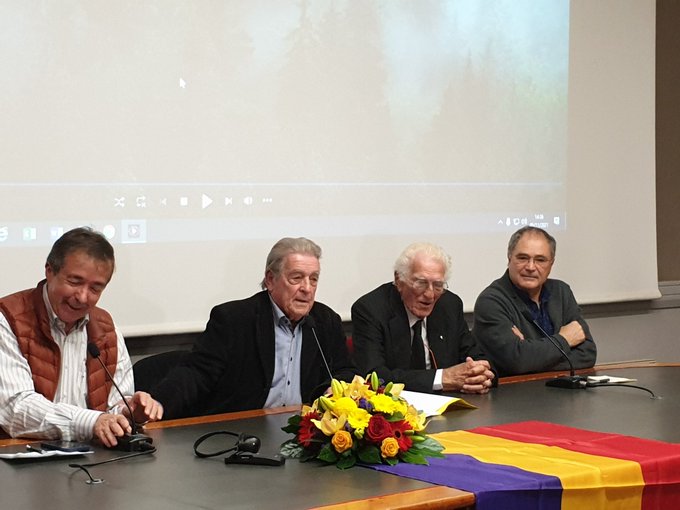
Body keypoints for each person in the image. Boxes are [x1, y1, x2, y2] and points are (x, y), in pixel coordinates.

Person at [150, 237, 356, 419]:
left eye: (313, 279)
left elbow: (343, 371)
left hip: (303, 431)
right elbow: (197, 373)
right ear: (270, 280)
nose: (307, 288)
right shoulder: (234, 319)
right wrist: (158, 403)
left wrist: (335, 389)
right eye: (296, 278)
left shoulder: (325, 321)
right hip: (244, 430)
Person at [0, 227, 163, 447]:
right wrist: (91, 421)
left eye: (96, 288)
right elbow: (15, 409)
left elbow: (110, 410)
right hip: (18, 459)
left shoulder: (105, 328)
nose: (83, 297)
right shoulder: (8, 319)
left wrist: (129, 412)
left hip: (88, 459)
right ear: (49, 271)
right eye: (75, 282)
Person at [351, 242, 495, 394]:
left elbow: (479, 358)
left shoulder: (449, 305)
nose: (430, 295)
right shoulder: (370, 310)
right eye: (421, 283)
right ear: (399, 280)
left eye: (438, 285)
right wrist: (441, 378)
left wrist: (482, 375)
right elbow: (374, 377)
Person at [473, 226, 597, 377]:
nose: (531, 267)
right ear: (509, 258)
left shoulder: (561, 292)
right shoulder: (491, 301)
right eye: (523, 258)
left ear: (551, 264)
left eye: (540, 260)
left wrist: (532, 356)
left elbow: (588, 354)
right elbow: (517, 361)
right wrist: (565, 340)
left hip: (561, 392)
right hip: (514, 395)